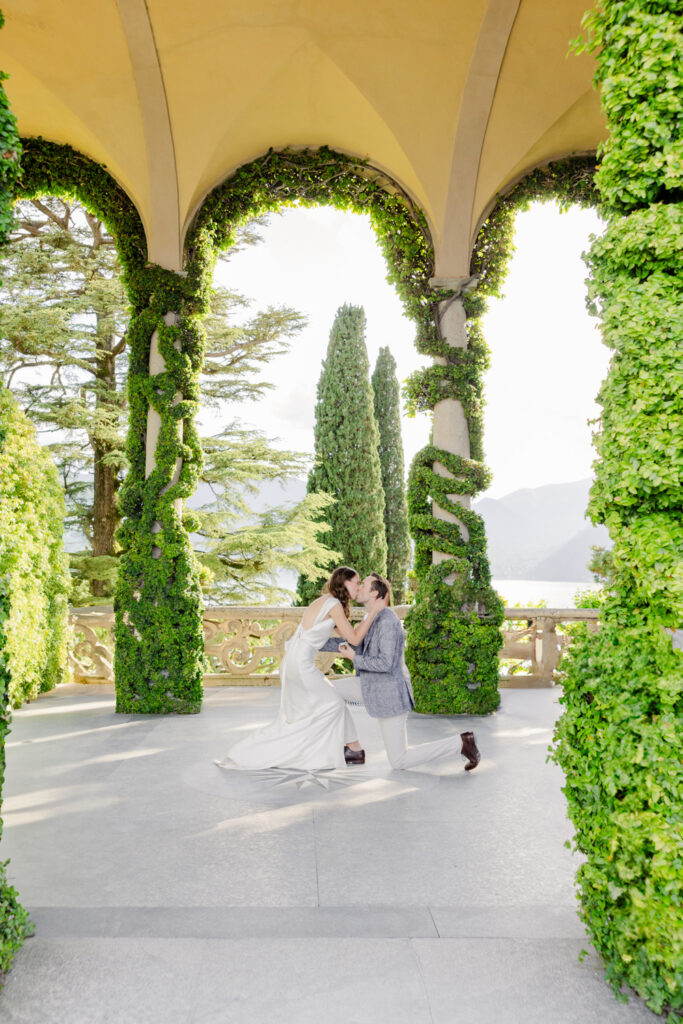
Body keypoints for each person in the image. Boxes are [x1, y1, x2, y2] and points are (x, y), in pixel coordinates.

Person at [214, 567, 379, 771]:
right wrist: (373, 613)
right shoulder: (334, 605)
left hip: (295, 660)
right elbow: (354, 638)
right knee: (334, 703)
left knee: (320, 707)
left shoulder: (326, 602)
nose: (358, 586)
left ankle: (353, 749)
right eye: (356, 582)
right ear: (344, 583)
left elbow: (344, 636)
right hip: (301, 664)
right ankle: (320, 750)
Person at [324, 573, 481, 771]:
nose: (359, 587)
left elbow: (386, 663)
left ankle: (461, 743)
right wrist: (313, 643)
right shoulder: (371, 618)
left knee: (399, 761)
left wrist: (353, 658)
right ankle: (352, 746)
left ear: (374, 593)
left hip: (390, 695)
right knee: (327, 689)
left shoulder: (388, 620)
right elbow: (355, 646)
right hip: (371, 686)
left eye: (363, 584)